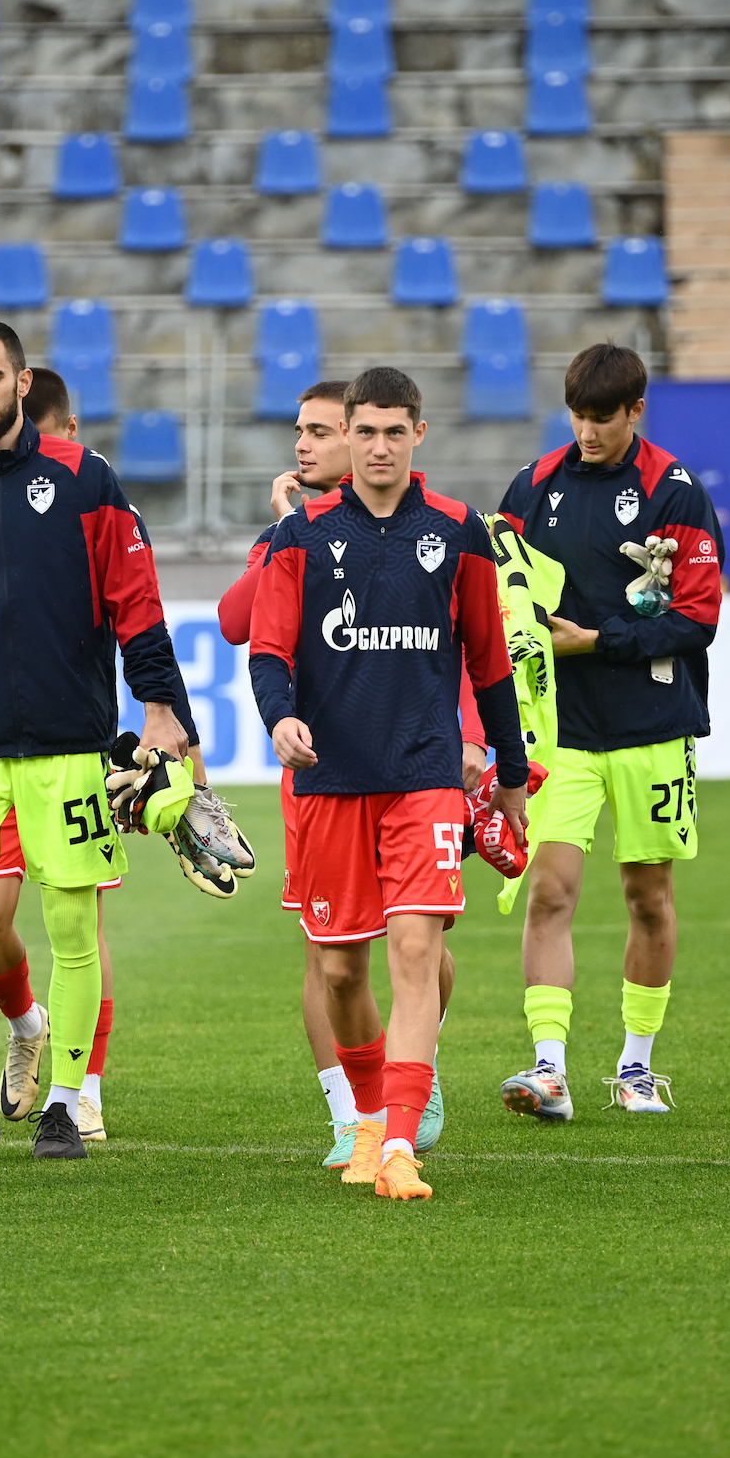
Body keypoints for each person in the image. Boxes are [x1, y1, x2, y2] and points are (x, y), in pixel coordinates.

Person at [0, 321, 195, 1164]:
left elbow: (138, 601)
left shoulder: (87, 480)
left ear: (23, 384)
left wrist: (163, 706)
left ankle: (65, 1101)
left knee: (71, 926)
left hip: (67, 745)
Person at [248, 367, 528, 1200]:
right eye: (363, 432)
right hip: (330, 780)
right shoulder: (300, 536)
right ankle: (369, 1120)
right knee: (339, 972)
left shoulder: (457, 531)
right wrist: (280, 717)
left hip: (423, 777)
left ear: (418, 435)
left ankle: (399, 1143)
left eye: (391, 432)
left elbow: (488, 660)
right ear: (350, 436)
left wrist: (509, 772)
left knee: (416, 950)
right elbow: (267, 648)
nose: (376, 447)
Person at [0, 368, 249, 1143]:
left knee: (78, 923)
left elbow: (143, 622)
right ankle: (28, 1024)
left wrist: (183, 746)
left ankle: (82, 1089)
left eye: (51, 441)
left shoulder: (99, 503)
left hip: (72, 751)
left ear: (70, 430)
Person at [493, 343, 724, 1122]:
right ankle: (548, 1066)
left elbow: (699, 617)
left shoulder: (677, 492)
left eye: (602, 418)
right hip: (558, 732)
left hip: (653, 726)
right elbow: (494, 585)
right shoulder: (535, 486)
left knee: (648, 896)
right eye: (577, 416)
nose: (586, 432)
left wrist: (598, 639)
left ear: (636, 411)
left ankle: (635, 1065)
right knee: (550, 890)